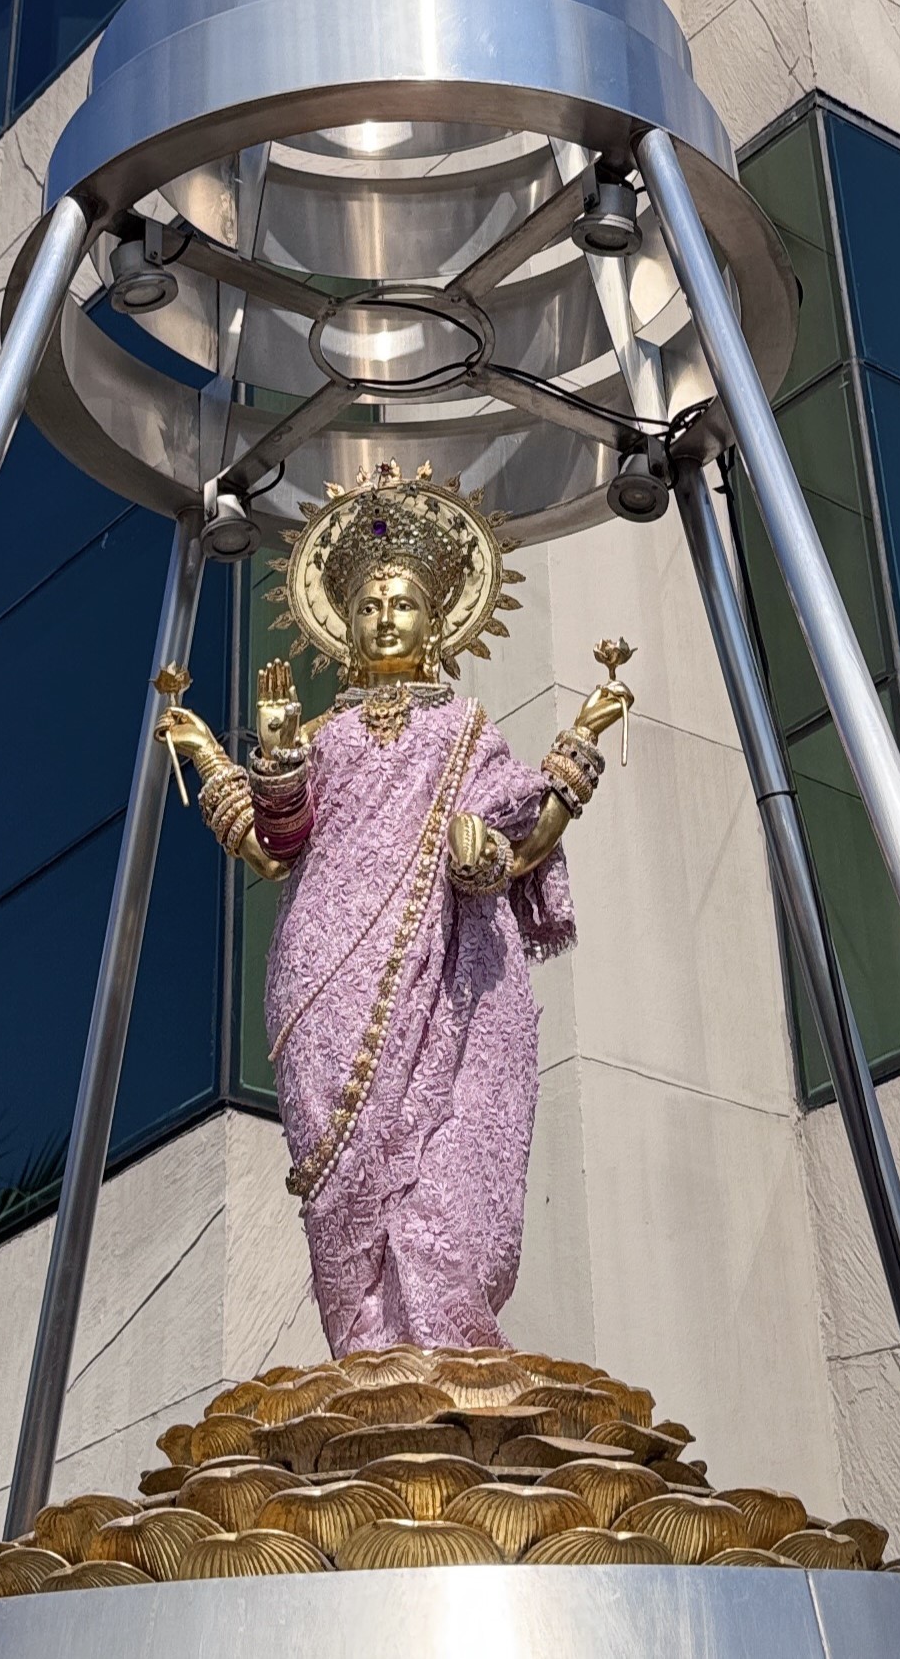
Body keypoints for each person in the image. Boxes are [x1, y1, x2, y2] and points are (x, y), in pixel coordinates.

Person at [156, 462, 631, 1353]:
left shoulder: (463, 734)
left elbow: (519, 850)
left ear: (439, 623)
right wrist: (261, 763)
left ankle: (440, 1351)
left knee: (447, 1184)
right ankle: (364, 1357)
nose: (384, 617)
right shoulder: (325, 736)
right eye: (369, 604)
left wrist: (566, 763)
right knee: (337, 1185)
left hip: (450, 978)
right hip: (323, 981)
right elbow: (277, 847)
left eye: (402, 602)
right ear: (344, 629)